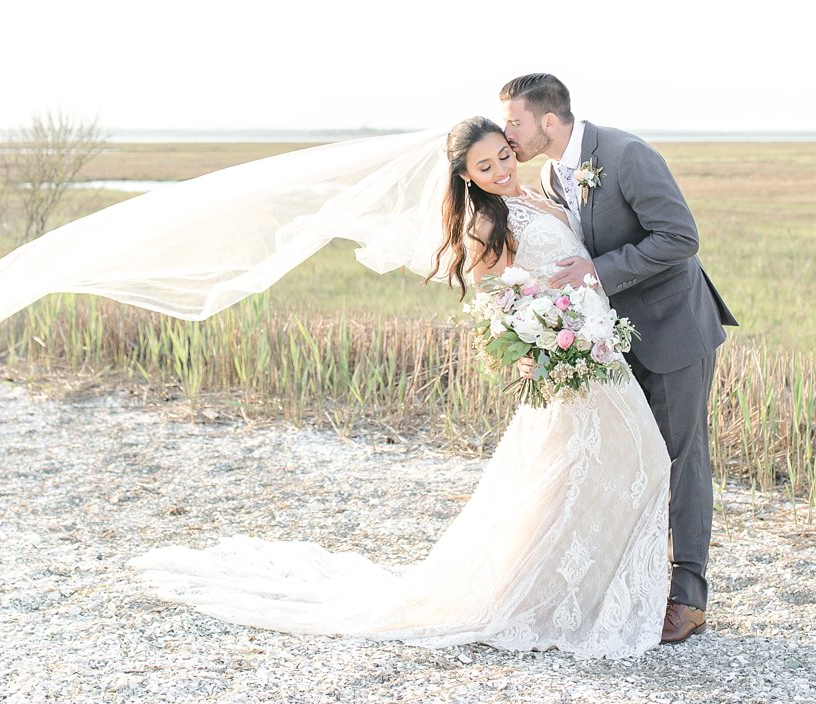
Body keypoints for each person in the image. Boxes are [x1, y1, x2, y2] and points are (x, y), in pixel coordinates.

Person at [130, 117, 671, 658]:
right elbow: (501, 304)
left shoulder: (536, 191)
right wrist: (546, 337)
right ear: (465, 177)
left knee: (595, 467)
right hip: (567, 358)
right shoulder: (488, 223)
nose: (501, 171)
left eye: (504, 156)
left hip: (596, 348)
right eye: (484, 167)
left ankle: (577, 588)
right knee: (602, 464)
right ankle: (535, 594)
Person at [498, 73, 736, 644]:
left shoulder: (627, 155)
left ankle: (688, 598)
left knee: (682, 459)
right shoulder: (553, 172)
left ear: (548, 121)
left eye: (514, 121)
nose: (507, 133)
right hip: (617, 337)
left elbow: (680, 236)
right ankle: (643, 583)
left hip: (675, 329)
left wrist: (599, 273)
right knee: (636, 458)